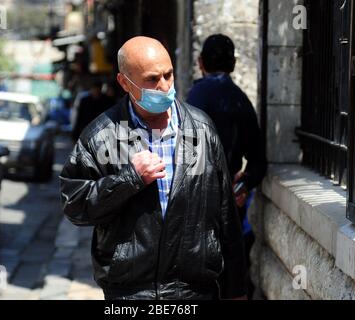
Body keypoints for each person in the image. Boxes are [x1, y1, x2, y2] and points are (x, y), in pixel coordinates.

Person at [60, 36, 246, 300]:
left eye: (168, 75)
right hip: (131, 294)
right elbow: (74, 205)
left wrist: (236, 290)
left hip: (194, 291)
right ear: (125, 83)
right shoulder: (101, 136)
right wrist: (129, 179)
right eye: (151, 79)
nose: (163, 86)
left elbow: (226, 216)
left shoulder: (202, 129)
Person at [186, 34, 267, 299]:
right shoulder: (241, 101)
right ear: (233, 64)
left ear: (200, 62)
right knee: (231, 282)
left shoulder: (193, 97)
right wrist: (241, 186)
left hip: (192, 206)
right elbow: (258, 162)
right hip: (229, 208)